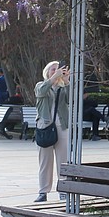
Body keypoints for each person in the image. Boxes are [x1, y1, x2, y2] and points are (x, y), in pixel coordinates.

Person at [35, 61, 70, 202]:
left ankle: (63, 190)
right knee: (45, 161)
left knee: (63, 161)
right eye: (53, 70)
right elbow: (41, 92)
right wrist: (54, 78)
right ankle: (43, 192)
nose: (56, 72)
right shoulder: (41, 85)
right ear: (47, 72)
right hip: (45, 126)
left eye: (58, 69)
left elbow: (72, 99)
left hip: (62, 126)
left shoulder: (63, 88)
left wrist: (67, 81)